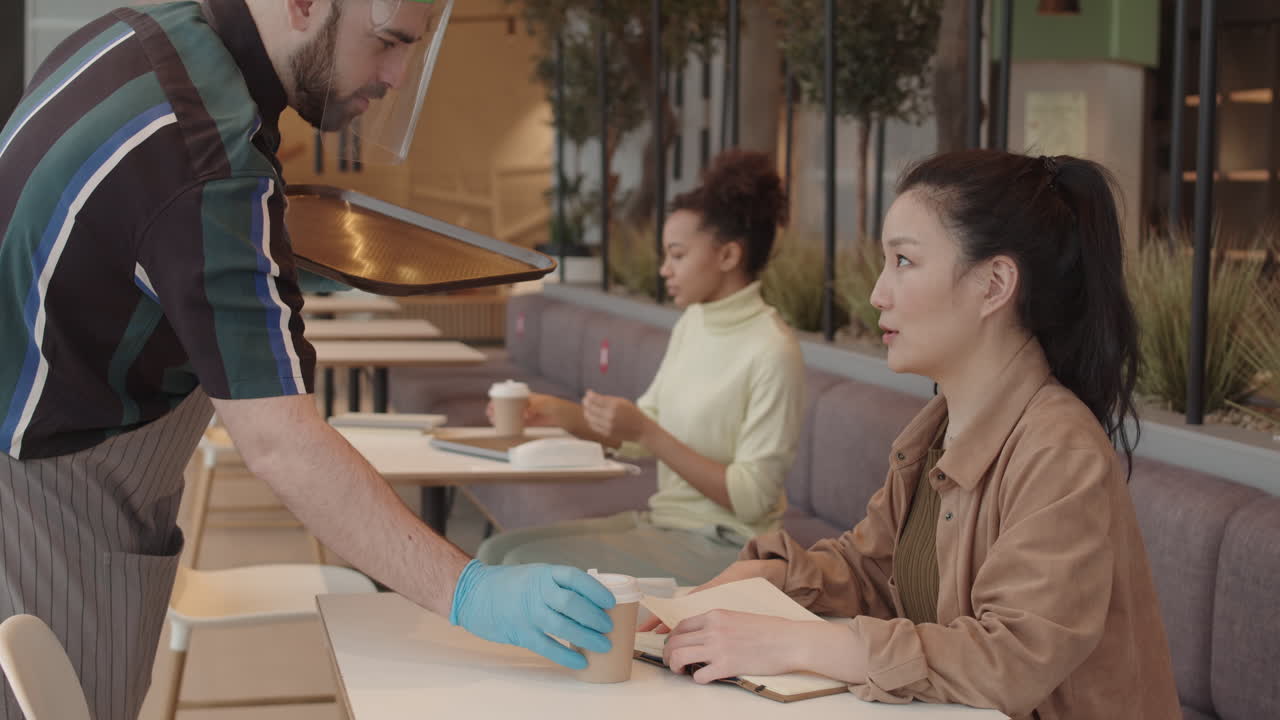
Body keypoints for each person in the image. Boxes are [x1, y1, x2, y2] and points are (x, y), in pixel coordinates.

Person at [0, 2, 614, 719]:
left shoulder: (149, 34)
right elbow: (281, 444)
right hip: (51, 494)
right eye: (385, 44)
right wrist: (467, 590)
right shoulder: (208, 152)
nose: (394, 75)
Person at [643, 150, 1181, 719]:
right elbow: (875, 568)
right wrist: (770, 574)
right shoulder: (936, 430)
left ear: (994, 283)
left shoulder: (1061, 450)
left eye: (903, 260)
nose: (878, 293)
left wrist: (794, 643)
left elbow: (1013, 660)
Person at [476, 150, 806, 587]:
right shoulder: (695, 323)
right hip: (665, 523)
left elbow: (750, 499)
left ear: (728, 255)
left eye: (677, 255)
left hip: (729, 545)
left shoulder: (772, 351)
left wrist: (648, 433)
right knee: (495, 553)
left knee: (517, 569)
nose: (664, 269)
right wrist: (554, 412)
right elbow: (639, 432)